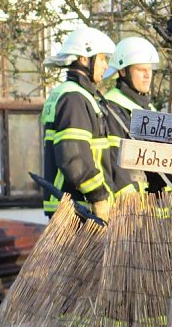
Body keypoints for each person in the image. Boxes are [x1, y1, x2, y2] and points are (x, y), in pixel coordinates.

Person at [41, 26, 117, 221]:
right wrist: (98, 196)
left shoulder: (71, 94)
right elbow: (73, 156)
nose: (105, 66)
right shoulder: (74, 98)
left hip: (74, 206)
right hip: (77, 207)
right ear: (85, 59)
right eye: (101, 59)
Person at [102, 36, 170, 194]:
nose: (148, 75)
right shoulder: (112, 107)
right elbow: (116, 165)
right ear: (123, 71)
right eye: (140, 70)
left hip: (155, 204)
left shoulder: (148, 108)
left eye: (150, 69)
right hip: (131, 206)